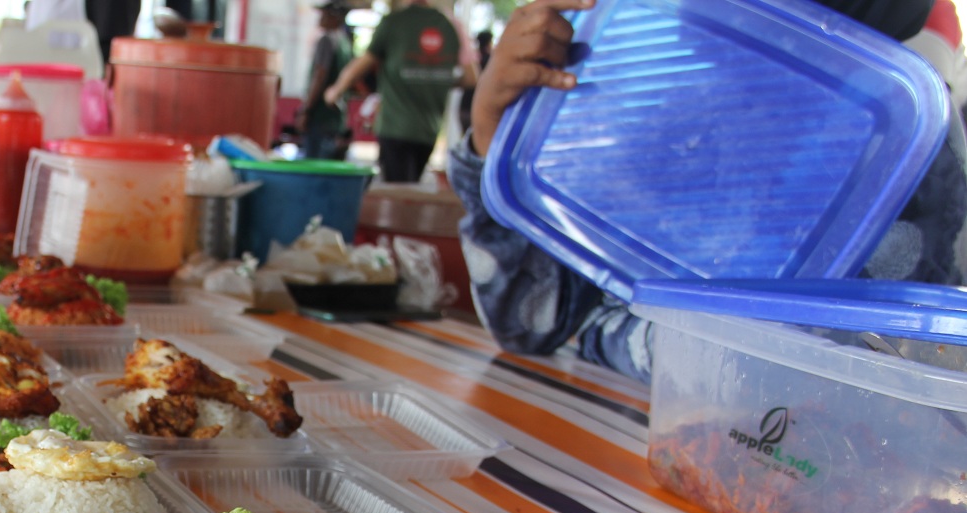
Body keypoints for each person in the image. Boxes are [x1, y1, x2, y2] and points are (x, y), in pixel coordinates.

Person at [448, 0, 967, 382]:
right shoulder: (671, 113)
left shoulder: (905, 147)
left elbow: (860, 380)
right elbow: (528, 323)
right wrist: (492, 127)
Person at [324, 0, 461, 182]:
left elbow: (365, 62)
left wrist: (335, 90)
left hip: (396, 126)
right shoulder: (448, 27)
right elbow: (469, 78)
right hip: (430, 128)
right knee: (410, 183)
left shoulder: (395, 22)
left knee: (398, 191)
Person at [295, 1, 355, 160]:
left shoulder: (326, 41)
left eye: (324, 14)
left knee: (313, 166)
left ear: (335, 17)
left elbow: (320, 75)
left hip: (320, 116)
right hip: (334, 118)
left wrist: (306, 110)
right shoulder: (344, 42)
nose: (320, 18)